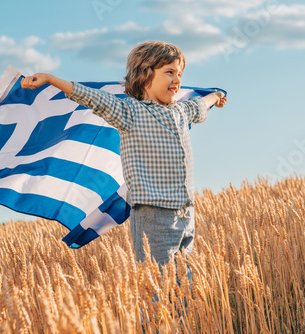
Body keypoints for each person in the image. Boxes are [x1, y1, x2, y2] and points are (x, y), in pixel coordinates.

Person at [21, 41, 227, 268]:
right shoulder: (130, 112)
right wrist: (51, 79)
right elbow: (92, 97)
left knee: (183, 284)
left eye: (179, 73)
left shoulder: (180, 111)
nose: (177, 80)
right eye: (169, 72)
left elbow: (200, 105)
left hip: (186, 212)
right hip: (153, 212)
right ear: (145, 75)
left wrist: (216, 96)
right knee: (160, 282)